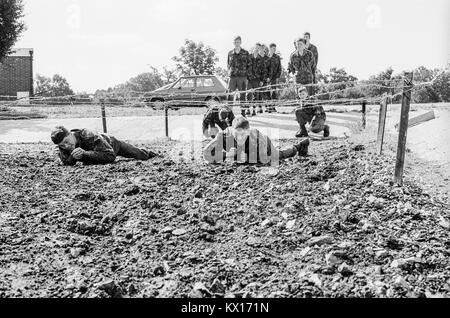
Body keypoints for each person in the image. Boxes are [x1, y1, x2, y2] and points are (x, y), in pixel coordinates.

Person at [203, 116, 310, 164]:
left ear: (249, 131)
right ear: (232, 131)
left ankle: (299, 146)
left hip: (262, 147)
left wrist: (240, 156)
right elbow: (206, 153)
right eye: (237, 135)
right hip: (245, 150)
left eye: (243, 135)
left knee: (276, 156)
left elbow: (263, 159)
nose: (240, 138)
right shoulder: (224, 135)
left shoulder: (257, 136)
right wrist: (227, 155)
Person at [51, 126, 159, 165]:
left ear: (70, 133)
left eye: (66, 141)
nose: (66, 146)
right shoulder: (63, 146)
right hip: (96, 155)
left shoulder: (88, 135)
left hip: (112, 144)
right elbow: (67, 162)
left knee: (140, 154)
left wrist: (84, 154)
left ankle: (149, 152)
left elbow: (110, 155)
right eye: (62, 145)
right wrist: (72, 157)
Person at [227, 36, 251, 117]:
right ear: (233, 43)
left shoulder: (245, 53)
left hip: (242, 77)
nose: (237, 44)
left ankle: (243, 114)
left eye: (238, 42)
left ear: (241, 42)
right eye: (235, 42)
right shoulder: (230, 53)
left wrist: (246, 76)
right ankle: (229, 114)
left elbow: (249, 65)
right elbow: (228, 65)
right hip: (232, 77)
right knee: (230, 95)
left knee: (243, 96)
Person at [247, 43, 264, 117]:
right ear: (254, 48)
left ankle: (254, 110)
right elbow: (245, 67)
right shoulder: (249, 57)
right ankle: (247, 109)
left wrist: (262, 80)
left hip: (257, 79)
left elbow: (263, 70)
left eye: (258, 48)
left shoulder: (261, 58)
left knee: (256, 96)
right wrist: (245, 78)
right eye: (256, 47)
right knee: (248, 94)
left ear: (259, 49)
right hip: (249, 79)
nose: (257, 49)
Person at [266, 43, 282, 113]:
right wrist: (266, 77)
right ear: (269, 48)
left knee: (274, 93)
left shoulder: (277, 57)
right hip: (266, 78)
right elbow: (264, 68)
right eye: (273, 48)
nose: (274, 49)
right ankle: (268, 107)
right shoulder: (266, 57)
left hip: (274, 78)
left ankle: (273, 107)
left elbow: (279, 68)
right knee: (266, 92)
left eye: (275, 48)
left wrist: (278, 77)